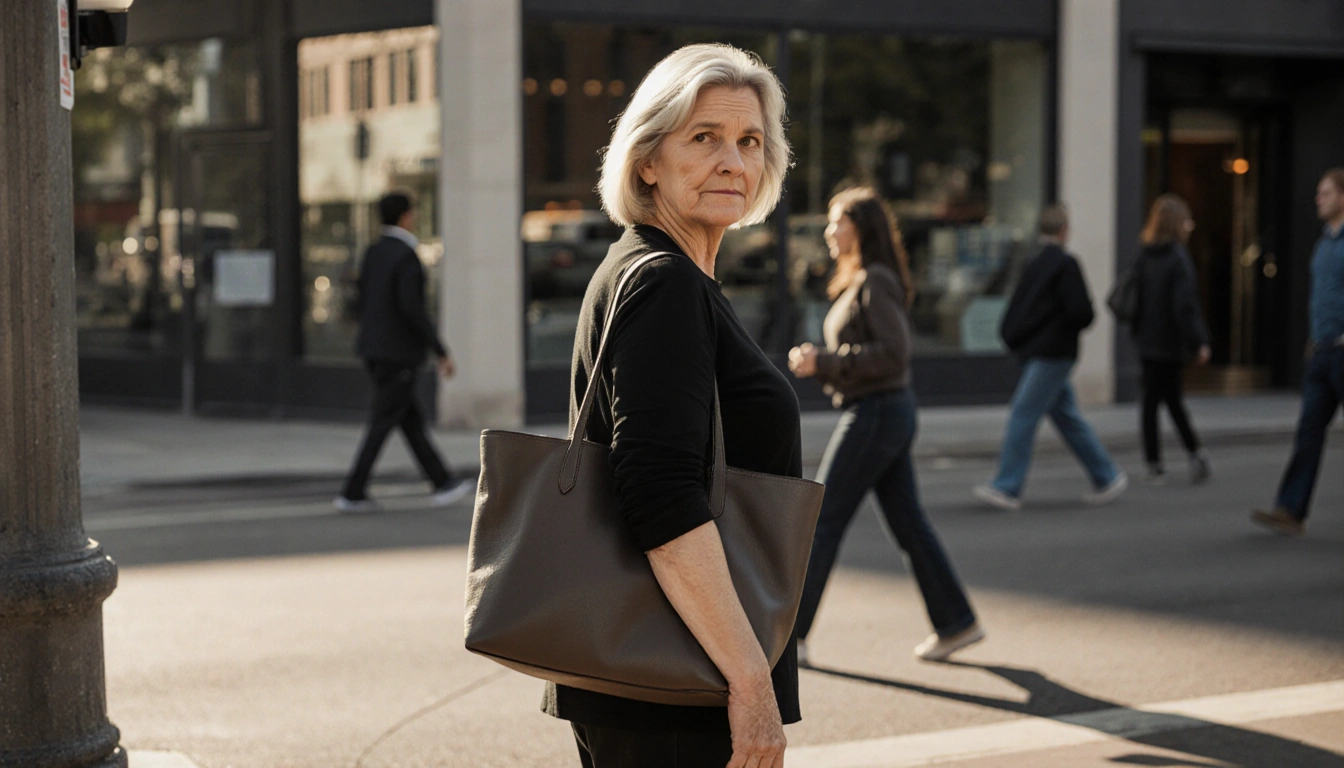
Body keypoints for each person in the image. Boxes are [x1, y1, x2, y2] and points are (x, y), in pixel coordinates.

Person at [548, 44, 795, 768]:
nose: (733, 160)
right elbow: (660, 494)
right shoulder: (665, 285)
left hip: (654, 670)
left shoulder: (645, 272)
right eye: (704, 137)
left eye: (749, 141)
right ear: (647, 161)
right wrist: (751, 680)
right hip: (675, 681)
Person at [787, 187, 983, 666]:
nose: (830, 231)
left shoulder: (876, 280)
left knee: (823, 518)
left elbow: (895, 354)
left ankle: (792, 639)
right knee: (908, 524)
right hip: (883, 411)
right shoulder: (862, 279)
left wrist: (824, 360)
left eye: (838, 222)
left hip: (877, 411)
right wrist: (826, 361)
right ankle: (956, 622)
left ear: (862, 227)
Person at [974, 204, 1129, 511]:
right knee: (1065, 417)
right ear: (1064, 231)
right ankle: (1106, 475)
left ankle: (1008, 485)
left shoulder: (1033, 263)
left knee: (1024, 413)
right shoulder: (1066, 264)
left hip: (1042, 353)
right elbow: (1082, 313)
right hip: (1057, 352)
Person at [334, 192, 471, 513]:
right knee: (383, 422)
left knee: (409, 421)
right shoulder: (405, 256)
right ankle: (352, 492)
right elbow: (413, 308)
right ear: (406, 217)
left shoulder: (373, 252)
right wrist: (439, 349)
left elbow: (362, 300)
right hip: (398, 354)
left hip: (374, 350)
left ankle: (442, 482)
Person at [1252, 168, 1344, 537]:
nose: (1318, 199)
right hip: (1321, 353)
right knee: (1308, 432)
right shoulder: (1323, 245)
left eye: (1325, 193)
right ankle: (1291, 510)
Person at [1130, 194, 1213, 485]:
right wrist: (1198, 341)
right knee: (1172, 400)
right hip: (1169, 343)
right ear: (1178, 224)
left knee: (1153, 404)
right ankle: (1193, 453)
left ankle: (1156, 463)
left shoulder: (1145, 255)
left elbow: (1135, 301)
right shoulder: (1178, 257)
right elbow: (1185, 305)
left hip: (1147, 341)